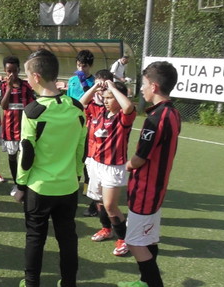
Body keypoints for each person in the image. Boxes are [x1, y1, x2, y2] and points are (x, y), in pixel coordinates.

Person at [15, 49, 87, 287]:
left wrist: (20, 185)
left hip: (39, 188)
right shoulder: (77, 108)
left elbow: (26, 152)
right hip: (67, 187)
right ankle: (69, 283)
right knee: (67, 239)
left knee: (35, 238)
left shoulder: (33, 111)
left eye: (27, 75)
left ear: (36, 76)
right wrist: (77, 176)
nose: (26, 80)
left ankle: (31, 283)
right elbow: (81, 149)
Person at [118, 61, 181, 287]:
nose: (142, 89)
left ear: (154, 87)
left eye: (144, 84)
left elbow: (139, 159)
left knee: (134, 242)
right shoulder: (173, 112)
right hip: (157, 189)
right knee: (149, 238)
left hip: (145, 190)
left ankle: (153, 283)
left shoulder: (155, 119)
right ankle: (145, 282)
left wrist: (127, 165)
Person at [80, 79, 136, 256]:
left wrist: (113, 87)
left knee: (110, 205)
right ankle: (106, 229)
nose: (105, 100)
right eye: (104, 97)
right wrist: (96, 87)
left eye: (110, 97)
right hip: (95, 163)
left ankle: (123, 238)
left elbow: (128, 107)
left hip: (113, 166)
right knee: (99, 201)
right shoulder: (98, 112)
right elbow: (80, 103)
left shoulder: (123, 117)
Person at [66, 49, 97, 217]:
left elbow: (92, 100)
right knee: (73, 156)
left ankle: (87, 187)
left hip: (88, 126)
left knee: (87, 158)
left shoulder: (94, 82)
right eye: (78, 65)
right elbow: (68, 101)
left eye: (84, 66)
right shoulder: (71, 80)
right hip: (72, 124)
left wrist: (85, 82)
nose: (81, 68)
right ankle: (72, 185)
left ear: (90, 66)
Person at [0, 55, 35, 194]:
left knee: (26, 157)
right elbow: (4, 105)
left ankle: (26, 183)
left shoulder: (26, 86)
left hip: (25, 129)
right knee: (12, 156)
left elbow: (32, 105)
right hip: (9, 130)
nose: (12, 74)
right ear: (5, 71)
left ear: (19, 69)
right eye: (9, 71)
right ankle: (16, 183)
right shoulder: (3, 85)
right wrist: (8, 88)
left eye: (14, 71)